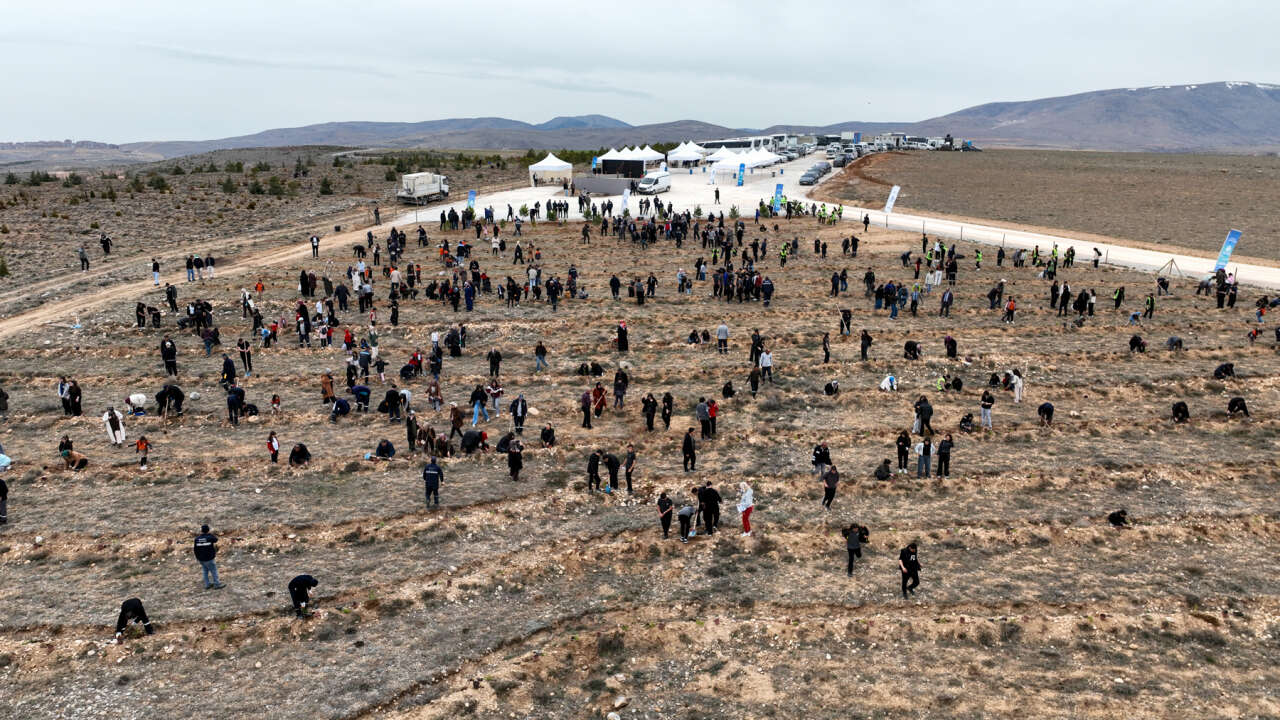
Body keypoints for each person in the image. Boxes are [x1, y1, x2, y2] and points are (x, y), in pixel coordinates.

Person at [194, 524, 224, 589]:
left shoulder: (197, 539)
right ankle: (217, 584)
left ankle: (207, 584)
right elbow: (216, 539)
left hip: (201, 559)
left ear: (201, 531)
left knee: (205, 571)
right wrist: (209, 534)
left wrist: (197, 558)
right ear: (208, 530)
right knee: (214, 571)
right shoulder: (209, 537)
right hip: (209, 558)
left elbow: (195, 549)